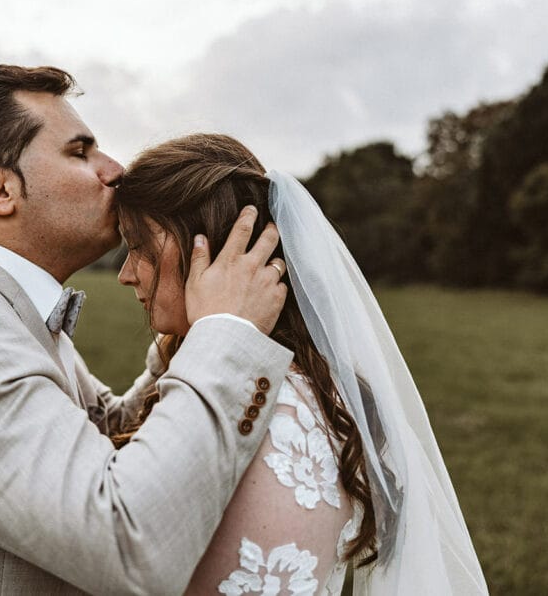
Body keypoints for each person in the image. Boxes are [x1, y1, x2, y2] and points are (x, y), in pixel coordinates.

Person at [0, 66, 295, 595]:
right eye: (80, 152)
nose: (114, 169)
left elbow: (116, 432)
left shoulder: (3, 309)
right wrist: (228, 335)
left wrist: (191, 328)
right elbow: (129, 544)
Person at [115, 134, 489, 595]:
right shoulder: (234, 379)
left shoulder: (285, 422)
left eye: (137, 246)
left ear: (206, 245)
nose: (125, 272)